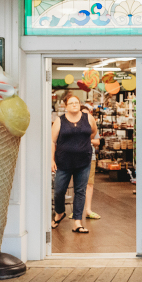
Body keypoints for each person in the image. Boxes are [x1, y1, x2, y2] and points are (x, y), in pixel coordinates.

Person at [52, 95, 98, 234]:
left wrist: (82, 143)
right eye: (71, 103)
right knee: (59, 191)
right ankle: (60, 212)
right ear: (66, 106)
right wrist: (51, 160)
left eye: (76, 102)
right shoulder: (60, 120)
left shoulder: (88, 118)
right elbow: (52, 141)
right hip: (63, 162)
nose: (74, 105)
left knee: (80, 191)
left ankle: (77, 222)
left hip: (83, 161)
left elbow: (93, 132)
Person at [80, 104, 101, 220]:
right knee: (78, 185)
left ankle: (88, 210)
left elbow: (97, 142)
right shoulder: (73, 125)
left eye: (87, 114)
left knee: (89, 184)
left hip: (90, 157)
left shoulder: (92, 126)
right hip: (76, 157)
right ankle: (77, 210)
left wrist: (86, 140)